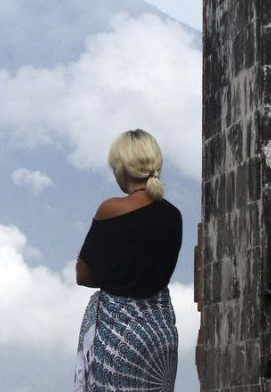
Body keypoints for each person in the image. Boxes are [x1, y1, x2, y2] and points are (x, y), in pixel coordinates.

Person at [73, 129, 182, 391]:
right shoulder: (173, 215)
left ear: (122, 168)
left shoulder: (112, 209)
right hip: (160, 335)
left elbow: (83, 275)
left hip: (120, 334)